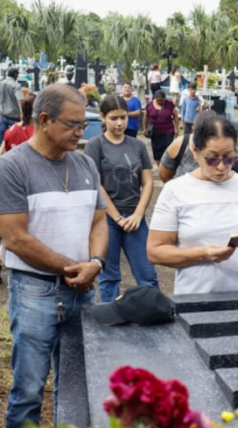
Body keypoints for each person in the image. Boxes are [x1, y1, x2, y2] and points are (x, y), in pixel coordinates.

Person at [0, 84, 108, 428]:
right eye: (73, 124)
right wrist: (75, 267)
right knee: (28, 389)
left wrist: (97, 263)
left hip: (84, 288)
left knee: (77, 385)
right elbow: (16, 237)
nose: (81, 132)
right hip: (36, 291)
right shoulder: (11, 167)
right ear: (43, 120)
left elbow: (100, 221)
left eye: (84, 124)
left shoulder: (84, 164)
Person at [147, 115, 238, 294]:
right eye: (212, 159)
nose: (222, 166)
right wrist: (202, 254)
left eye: (229, 158)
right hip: (196, 299)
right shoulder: (175, 192)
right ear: (195, 152)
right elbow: (155, 251)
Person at [84, 95, 158, 302]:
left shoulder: (138, 146)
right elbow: (96, 185)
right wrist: (117, 217)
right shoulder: (95, 146)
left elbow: (148, 182)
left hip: (135, 217)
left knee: (147, 273)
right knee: (109, 275)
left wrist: (138, 214)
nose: (119, 123)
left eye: (123, 118)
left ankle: (154, 313)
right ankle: (110, 319)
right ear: (103, 118)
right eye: (114, 118)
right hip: (107, 218)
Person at [0, 93, 38, 284]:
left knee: (18, 228)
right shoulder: (36, 133)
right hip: (31, 184)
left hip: (11, 182)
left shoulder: (11, 130)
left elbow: (0, 157)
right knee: (25, 229)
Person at [159, 111, 238, 183]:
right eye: (212, 158)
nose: (220, 166)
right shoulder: (180, 144)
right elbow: (164, 174)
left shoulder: (230, 150)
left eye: (227, 159)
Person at [143, 89, 179, 171]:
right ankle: (160, 168)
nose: (161, 102)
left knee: (168, 149)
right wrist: (145, 128)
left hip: (168, 130)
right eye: (159, 100)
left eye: (162, 100)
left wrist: (176, 128)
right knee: (157, 150)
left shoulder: (169, 104)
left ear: (165, 98)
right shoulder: (149, 105)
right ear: (155, 98)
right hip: (155, 132)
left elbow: (176, 116)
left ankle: (168, 167)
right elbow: (146, 116)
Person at [0, 67, 24, 155]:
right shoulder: (16, 85)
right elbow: (20, 100)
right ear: (15, 75)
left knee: (1, 131)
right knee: (16, 133)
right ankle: (15, 149)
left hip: (3, 113)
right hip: (14, 115)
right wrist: (22, 113)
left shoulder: (1, 84)